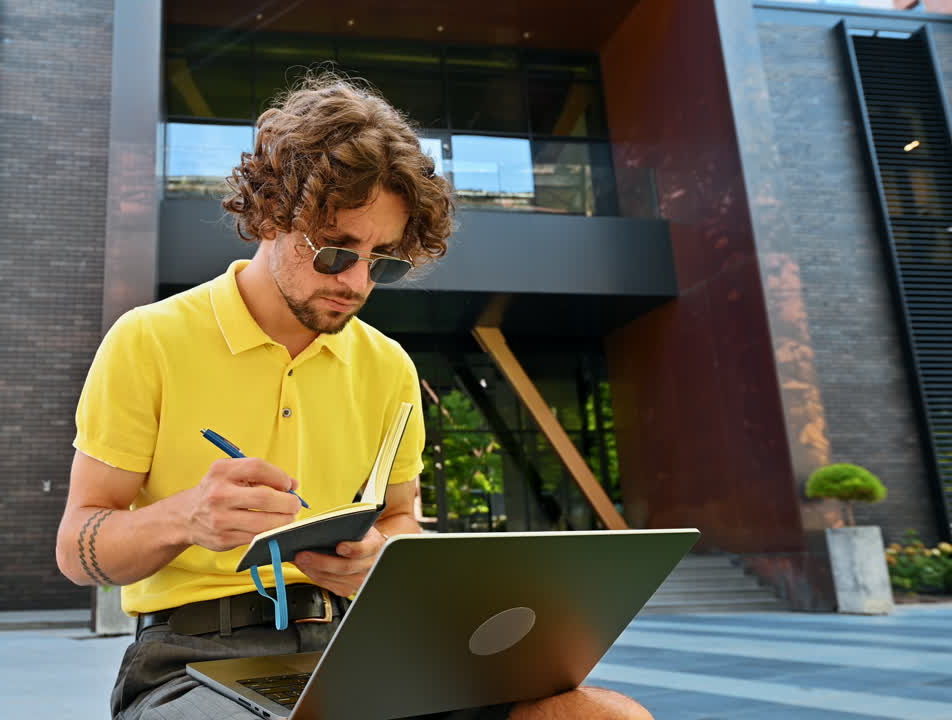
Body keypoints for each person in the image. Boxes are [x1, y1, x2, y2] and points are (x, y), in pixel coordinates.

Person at [56, 74, 653, 720]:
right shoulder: (149, 341)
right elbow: (76, 545)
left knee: (605, 716)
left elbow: (400, 518)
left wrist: (382, 557)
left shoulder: (389, 368)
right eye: (337, 253)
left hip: (362, 645)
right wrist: (185, 518)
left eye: (385, 260)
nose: (360, 283)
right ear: (270, 214)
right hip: (190, 658)